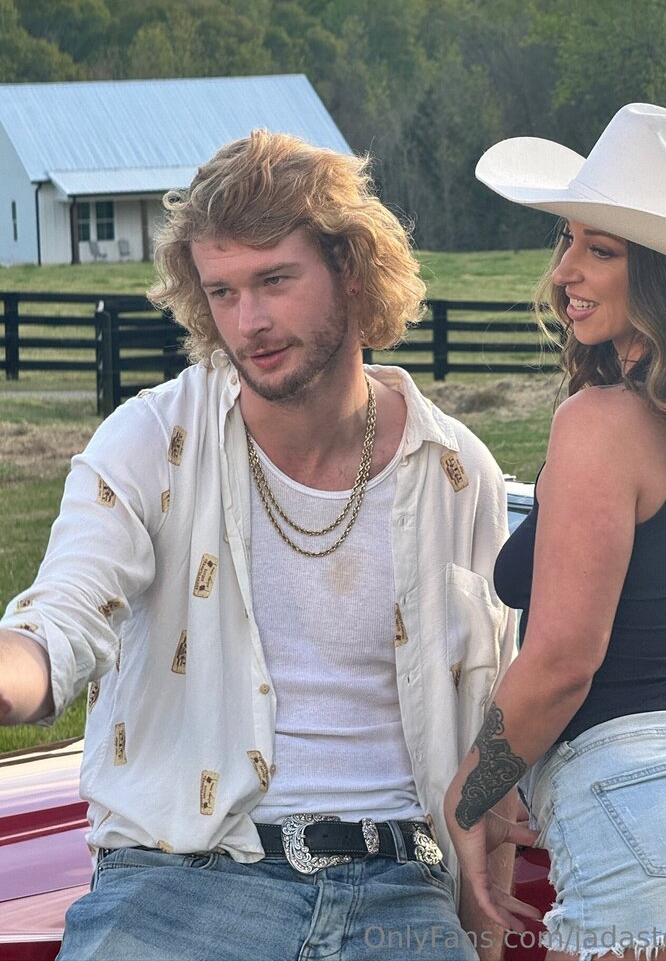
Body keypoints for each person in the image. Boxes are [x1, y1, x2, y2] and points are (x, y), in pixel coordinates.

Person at [0, 130, 525, 961]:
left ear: (352, 270)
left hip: (399, 884)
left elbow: (495, 719)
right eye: (223, 291)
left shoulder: (458, 472)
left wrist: (482, 924)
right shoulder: (151, 441)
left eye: (275, 280)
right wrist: (13, 672)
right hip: (179, 880)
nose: (249, 323)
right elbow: (63, 616)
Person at [444, 103, 666, 961]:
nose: (564, 271)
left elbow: (565, 660)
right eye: (567, 239)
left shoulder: (602, 423)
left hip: (660, 820)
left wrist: (469, 796)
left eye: (600, 250)